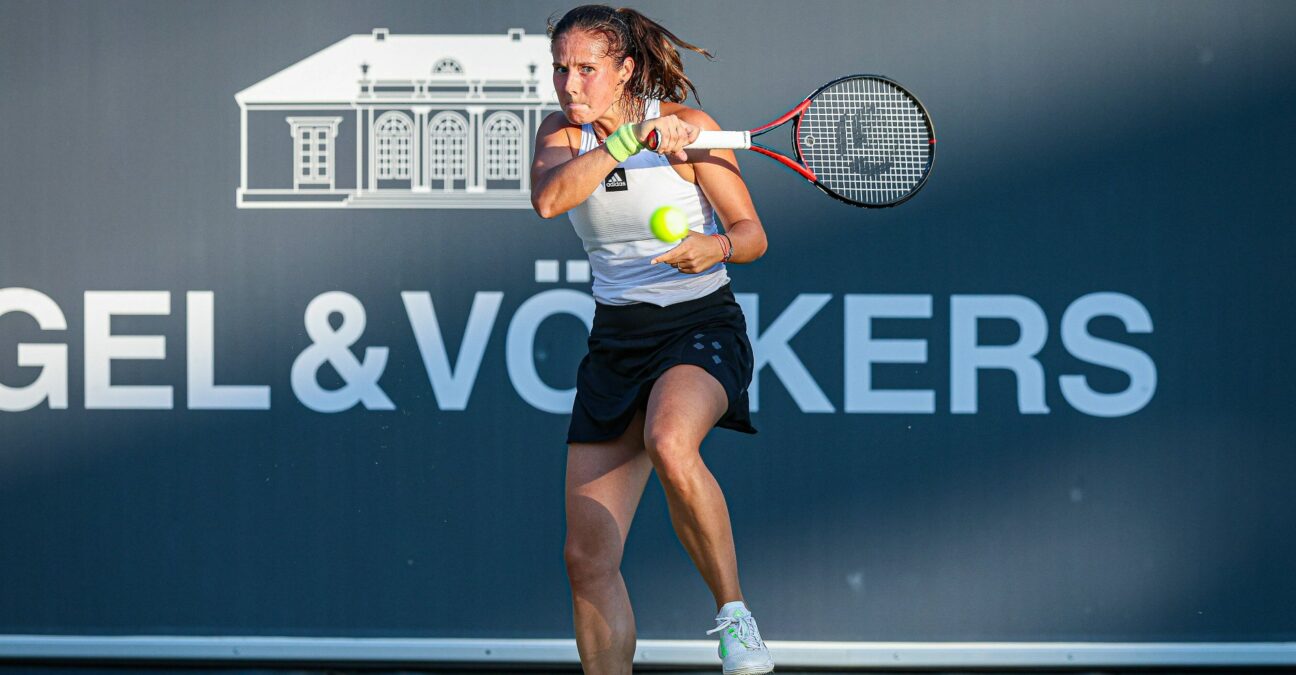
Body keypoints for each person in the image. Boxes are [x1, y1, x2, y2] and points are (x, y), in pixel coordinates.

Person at [531, 5, 774, 675]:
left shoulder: (692, 130)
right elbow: (550, 199)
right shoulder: (560, 133)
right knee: (586, 558)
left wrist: (713, 245)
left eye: (586, 70)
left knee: (671, 440)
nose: (570, 86)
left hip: (699, 327)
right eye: (560, 70)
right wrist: (627, 140)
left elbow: (752, 234)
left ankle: (735, 618)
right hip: (616, 344)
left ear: (626, 69)